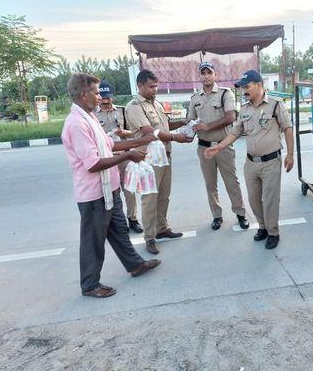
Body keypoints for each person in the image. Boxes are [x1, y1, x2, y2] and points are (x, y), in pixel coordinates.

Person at [61, 73, 161, 299]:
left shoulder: (90, 117)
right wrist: (129, 155)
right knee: (93, 240)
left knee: (119, 230)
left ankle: (134, 264)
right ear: (83, 94)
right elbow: (93, 163)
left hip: (109, 188)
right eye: (96, 93)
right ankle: (89, 284)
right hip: (94, 194)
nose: (100, 97)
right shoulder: (77, 123)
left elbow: (110, 144)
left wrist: (141, 141)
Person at [205, 70, 294, 250]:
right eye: (242, 87)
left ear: (259, 85)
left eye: (247, 86)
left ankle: (273, 232)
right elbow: (236, 132)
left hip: (271, 162)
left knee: (270, 199)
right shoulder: (244, 109)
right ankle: (262, 227)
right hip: (251, 163)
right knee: (254, 199)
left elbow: (287, 129)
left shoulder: (276, 105)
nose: (244, 90)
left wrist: (290, 155)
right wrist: (219, 146)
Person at [125, 70, 192, 255]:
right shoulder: (134, 106)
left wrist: (185, 123)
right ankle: (150, 237)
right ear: (139, 85)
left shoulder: (157, 104)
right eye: (151, 86)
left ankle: (162, 228)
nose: (155, 90)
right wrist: (174, 137)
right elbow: (149, 132)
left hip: (165, 157)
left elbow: (164, 126)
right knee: (149, 199)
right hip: (148, 160)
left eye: (156, 86)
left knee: (164, 196)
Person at [187, 62, 249, 231]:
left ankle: (240, 213)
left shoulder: (225, 94)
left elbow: (230, 117)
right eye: (203, 73)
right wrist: (188, 130)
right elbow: (190, 120)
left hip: (223, 146)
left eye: (209, 72)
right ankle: (216, 216)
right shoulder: (195, 98)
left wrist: (207, 126)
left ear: (215, 75)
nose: (206, 76)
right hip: (204, 147)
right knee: (210, 184)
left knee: (231, 182)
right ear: (199, 76)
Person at [94, 80, 143, 233]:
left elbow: (133, 131)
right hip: (107, 159)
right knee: (110, 192)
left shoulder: (121, 111)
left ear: (112, 97)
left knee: (129, 189)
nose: (105, 100)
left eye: (108, 97)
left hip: (123, 157)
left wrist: (124, 133)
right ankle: (116, 223)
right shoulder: (93, 115)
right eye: (102, 97)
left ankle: (133, 219)